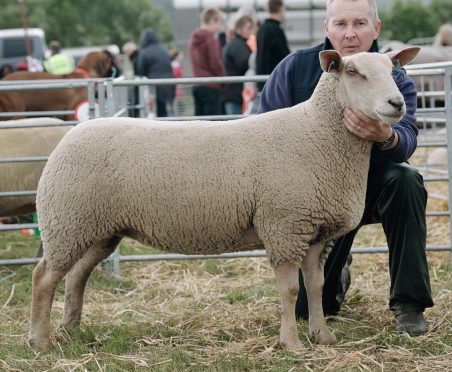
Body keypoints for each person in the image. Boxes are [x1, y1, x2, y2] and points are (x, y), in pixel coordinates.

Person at [258, 0, 434, 336]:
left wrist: (386, 136)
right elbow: (261, 126)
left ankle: (409, 306)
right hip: (313, 198)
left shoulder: (394, 73)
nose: (350, 33)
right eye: (340, 24)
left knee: (407, 179)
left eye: (360, 23)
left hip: (372, 185)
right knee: (310, 312)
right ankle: (335, 276)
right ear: (326, 28)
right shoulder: (296, 68)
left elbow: (407, 137)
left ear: (376, 29)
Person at [188, 7, 226, 116]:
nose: (219, 27)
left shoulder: (193, 39)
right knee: (213, 126)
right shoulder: (211, 39)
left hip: (197, 84)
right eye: (218, 22)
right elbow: (215, 63)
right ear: (212, 20)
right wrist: (223, 79)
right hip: (211, 86)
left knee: (199, 125)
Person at [136, 28, 175, 118]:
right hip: (168, 84)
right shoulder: (163, 50)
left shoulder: (145, 52)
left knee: (154, 111)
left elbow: (141, 71)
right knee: (163, 110)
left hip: (154, 85)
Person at [222, 15, 254, 115]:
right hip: (235, 94)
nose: (251, 31)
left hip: (233, 93)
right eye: (248, 28)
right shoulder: (238, 45)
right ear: (239, 29)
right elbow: (246, 65)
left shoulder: (235, 44)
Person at [255, 0, 290, 91]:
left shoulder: (261, 29)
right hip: (274, 79)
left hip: (262, 79)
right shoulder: (276, 30)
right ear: (280, 9)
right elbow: (284, 55)